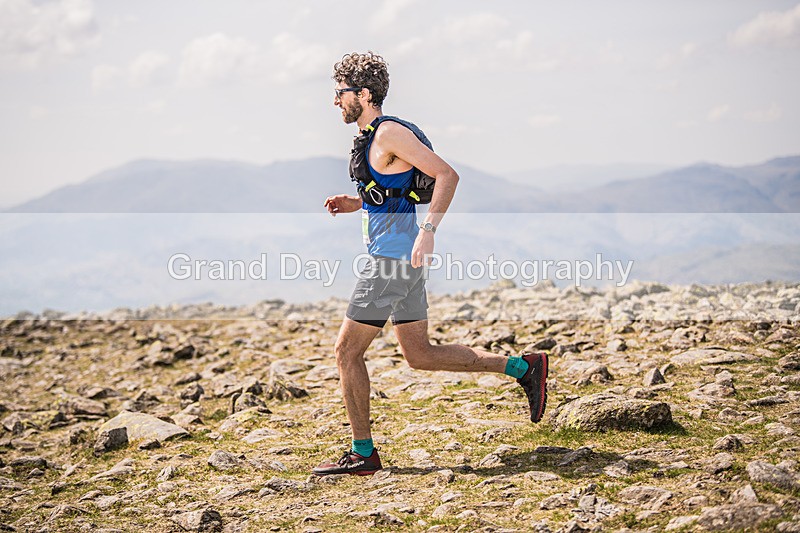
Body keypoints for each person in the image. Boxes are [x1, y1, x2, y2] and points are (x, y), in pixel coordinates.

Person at [313, 51, 548, 476]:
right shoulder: (375, 138)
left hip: (390, 262)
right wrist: (356, 203)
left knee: (346, 353)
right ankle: (522, 367)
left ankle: (363, 452)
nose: (336, 101)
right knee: (419, 355)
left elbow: (447, 175)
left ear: (364, 94)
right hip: (403, 263)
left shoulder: (386, 133)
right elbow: (395, 189)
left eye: (341, 92)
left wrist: (430, 230)